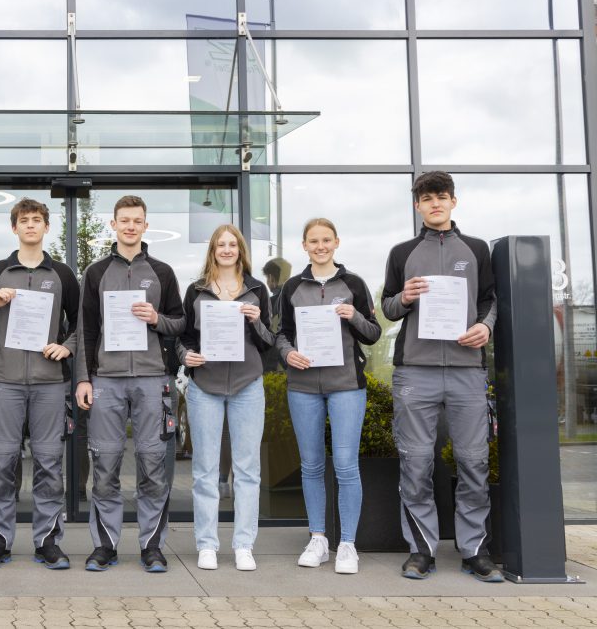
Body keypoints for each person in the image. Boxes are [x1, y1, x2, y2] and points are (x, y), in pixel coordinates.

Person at [381, 171, 500, 582]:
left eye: (442, 197)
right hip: (416, 370)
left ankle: (474, 551)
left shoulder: (478, 249)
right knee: (416, 463)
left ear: (453, 201)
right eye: (427, 198)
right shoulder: (402, 252)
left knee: (473, 462)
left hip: (467, 370)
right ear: (417, 205)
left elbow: (489, 301)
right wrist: (405, 297)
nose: (435, 203)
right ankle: (421, 550)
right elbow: (388, 307)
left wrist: (486, 327)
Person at [75, 195, 185, 573]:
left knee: (153, 464)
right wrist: (84, 379)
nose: (130, 226)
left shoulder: (162, 272)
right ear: (114, 224)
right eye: (124, 220)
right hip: (106, 379)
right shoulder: (95, 273)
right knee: (104, 464)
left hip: (153, 379)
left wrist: (156, 318)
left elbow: (179, 323)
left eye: (137, 220)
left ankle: (152, 546)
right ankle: (105, 545)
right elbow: (86, 330)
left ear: (145, 225)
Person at [0, 198, 80, 571]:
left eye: (37, 220)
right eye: (24, 220)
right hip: (3, 381)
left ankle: (48, 541)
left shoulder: (63, 275)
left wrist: (66, 347)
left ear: (46, 227)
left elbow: (84, 326)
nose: (30, 225)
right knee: (0, 462)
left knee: (50, 464)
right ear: (14, 227)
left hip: (50, 383)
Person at [275, 218, 381, 575]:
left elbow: (373, 333)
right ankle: (318, 538)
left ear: (336, 242)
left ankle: (347, 544)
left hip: (347, 385)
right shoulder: (292, 286)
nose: (320, 246)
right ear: (304, 245)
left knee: (347, 466)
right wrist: (288, 354)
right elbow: (282, 335)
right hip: (303, 386)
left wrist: (353, 316)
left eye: (326, 240)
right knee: (311, 465)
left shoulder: (353, 284)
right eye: (313, 241)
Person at [176, 224, 274, 572]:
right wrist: (185, 357)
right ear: (213, 250)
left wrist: (258, 320)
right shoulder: (196, 290)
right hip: (205, 386)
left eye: (233, 244)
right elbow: (184, 338)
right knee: (204, 471)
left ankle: (244, 544)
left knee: (247, 470)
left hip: (248, 384)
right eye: (221, 244)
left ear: (241, 250)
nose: (227, 249)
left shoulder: (257, 290)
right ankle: (207, 544)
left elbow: (269, 343)